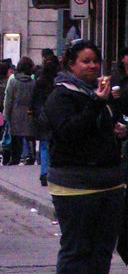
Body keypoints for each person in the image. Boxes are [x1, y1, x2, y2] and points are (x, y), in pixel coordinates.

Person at [42, 38, 127, 274]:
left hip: (109, 183)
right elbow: (69, 132)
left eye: (95, 62)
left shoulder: (100, 94)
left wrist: (118, 130)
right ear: (71, 65)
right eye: (85, 62)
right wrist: (96, 103)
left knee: (102, 251)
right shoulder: (61, 96)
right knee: (77, 250)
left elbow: (100, 130)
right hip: (75, 185)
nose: (92, 66)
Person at [32, 54, 59, 185]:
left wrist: (32, 112)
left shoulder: (39, 82)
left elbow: (33, 99)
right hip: (53, 115)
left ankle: (44, 172)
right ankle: (51, 173)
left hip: (41, 115)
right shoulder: (56, 83)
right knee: (53, 144)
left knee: (43, 145)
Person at [4, 55, 36, 165]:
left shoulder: (13, 82)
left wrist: (6, 115)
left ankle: (15, 158)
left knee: (15, 137)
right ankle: (31, 156)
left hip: (15, 111)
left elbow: (9, 100)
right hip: (29, 111)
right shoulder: (32, 82)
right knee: (29, 135)